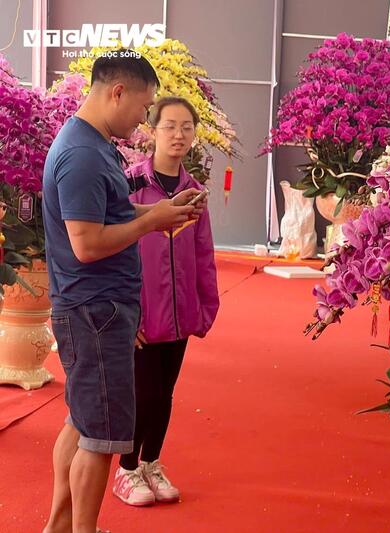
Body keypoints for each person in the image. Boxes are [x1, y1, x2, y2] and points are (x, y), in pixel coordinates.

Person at [42, 51, 204, 533]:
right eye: (144, 107)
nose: (143, 120)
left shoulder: (93, 145)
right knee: (101, 437)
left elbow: (107, 217)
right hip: (94, 310)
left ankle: (60, 525)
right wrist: (153, 219)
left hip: (95, 308)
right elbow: (87, 244)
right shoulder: (83, 155)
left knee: (81, 422)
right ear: (117, 93)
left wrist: (158, 212)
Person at [112, 96, 219, 506]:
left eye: (186, 127)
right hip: (140, 316)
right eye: (170, 126)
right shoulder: (130, 183)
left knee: (166, 393)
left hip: (179, 314)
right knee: (143, 394)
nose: (178, 134)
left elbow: (203, 255)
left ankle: (151, 463)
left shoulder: (195, 193)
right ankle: (125, 469)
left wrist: (204, 306)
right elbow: (116, 250)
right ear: (151, 131)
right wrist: (126, 313)